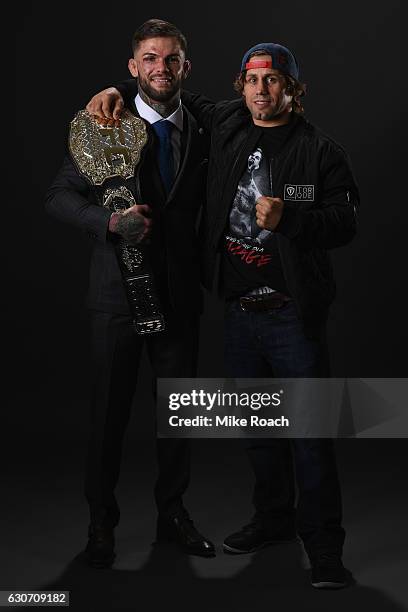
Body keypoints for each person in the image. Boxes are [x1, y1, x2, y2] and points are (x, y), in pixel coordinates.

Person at [87, 41, 358, 588]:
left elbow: (344, 221)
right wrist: (112, 90)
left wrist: (291, 220)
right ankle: (275, 518)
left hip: (291, 316)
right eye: (253, 80)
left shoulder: (321, 151)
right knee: (260, 431)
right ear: (241, 87)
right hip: (239, 313)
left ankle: (325, 545)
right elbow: (162, 92)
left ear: (293, 89)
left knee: (309, 434)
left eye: (274, 80)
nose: (262, 89)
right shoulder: (227, 127)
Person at [45, 19, 215, 568]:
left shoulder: (207, 124)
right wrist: (111, 223)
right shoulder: (102, 122)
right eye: (148, 58)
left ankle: (173, 515)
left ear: (185, 67)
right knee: (109, 419)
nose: (159, 69)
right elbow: (58, 198)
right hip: (116, 299)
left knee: (180, 415)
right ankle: (101, 524)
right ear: (131, 66)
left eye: (170, 60)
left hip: (180, 297)